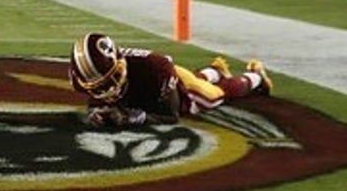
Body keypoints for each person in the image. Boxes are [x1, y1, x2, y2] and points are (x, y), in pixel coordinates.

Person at [69, 32, 271, 128]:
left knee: (212, 96)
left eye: (111, 79)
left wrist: (133, 117)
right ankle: (215, 69)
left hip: (175, 86)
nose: (108, 89)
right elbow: (95, 104)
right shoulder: (88, 78)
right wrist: (97, 113)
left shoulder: (154, 68)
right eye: (100, 86)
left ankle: (255, 78)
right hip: (157, 83)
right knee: (198, 79)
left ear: (121, 63)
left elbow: (171, 116)